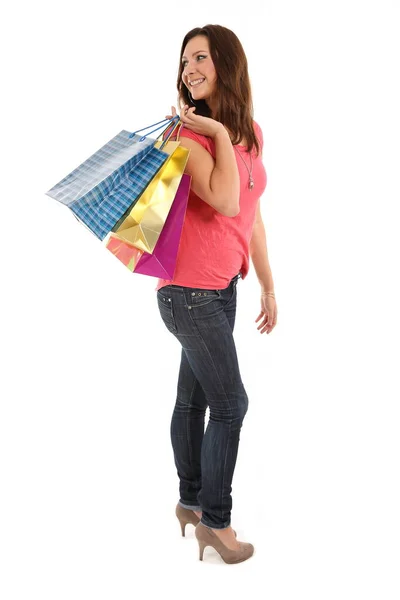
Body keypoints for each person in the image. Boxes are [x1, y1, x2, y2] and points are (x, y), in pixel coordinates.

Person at [156, 24, 277, 564]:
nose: (190, 70)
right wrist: (218, 136)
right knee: (232, 405)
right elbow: (225, 200)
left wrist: (268, 283)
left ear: (227, 63)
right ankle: (217, 523)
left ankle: (190, 503)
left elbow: (250, 214)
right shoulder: (188, 139)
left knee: (196, 399)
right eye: (185, 62)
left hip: (222, 288)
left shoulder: (249, 130)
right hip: (188, 295)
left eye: (200, 57)